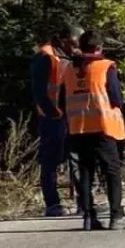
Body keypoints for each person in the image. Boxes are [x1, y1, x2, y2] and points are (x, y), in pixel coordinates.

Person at [59, 31, 125, 230]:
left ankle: (89, 217)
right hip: (103, 126)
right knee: (111, 171)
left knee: (85, 171)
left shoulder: (69, 71)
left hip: (78, 127)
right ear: (99, 47)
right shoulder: (105, 67)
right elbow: (116, 98)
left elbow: (61, 101)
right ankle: (116, 216)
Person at [30, 24, 83, 217]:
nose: (78, 47)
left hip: (72, 116)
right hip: (52, 118)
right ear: (63, 40)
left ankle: (84, 201)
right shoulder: (45, 56)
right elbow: (39, 91)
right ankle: (52, 204)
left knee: (77, 157)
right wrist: (53, 113)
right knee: (50, 160)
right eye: (75, 42)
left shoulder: (71, 56)